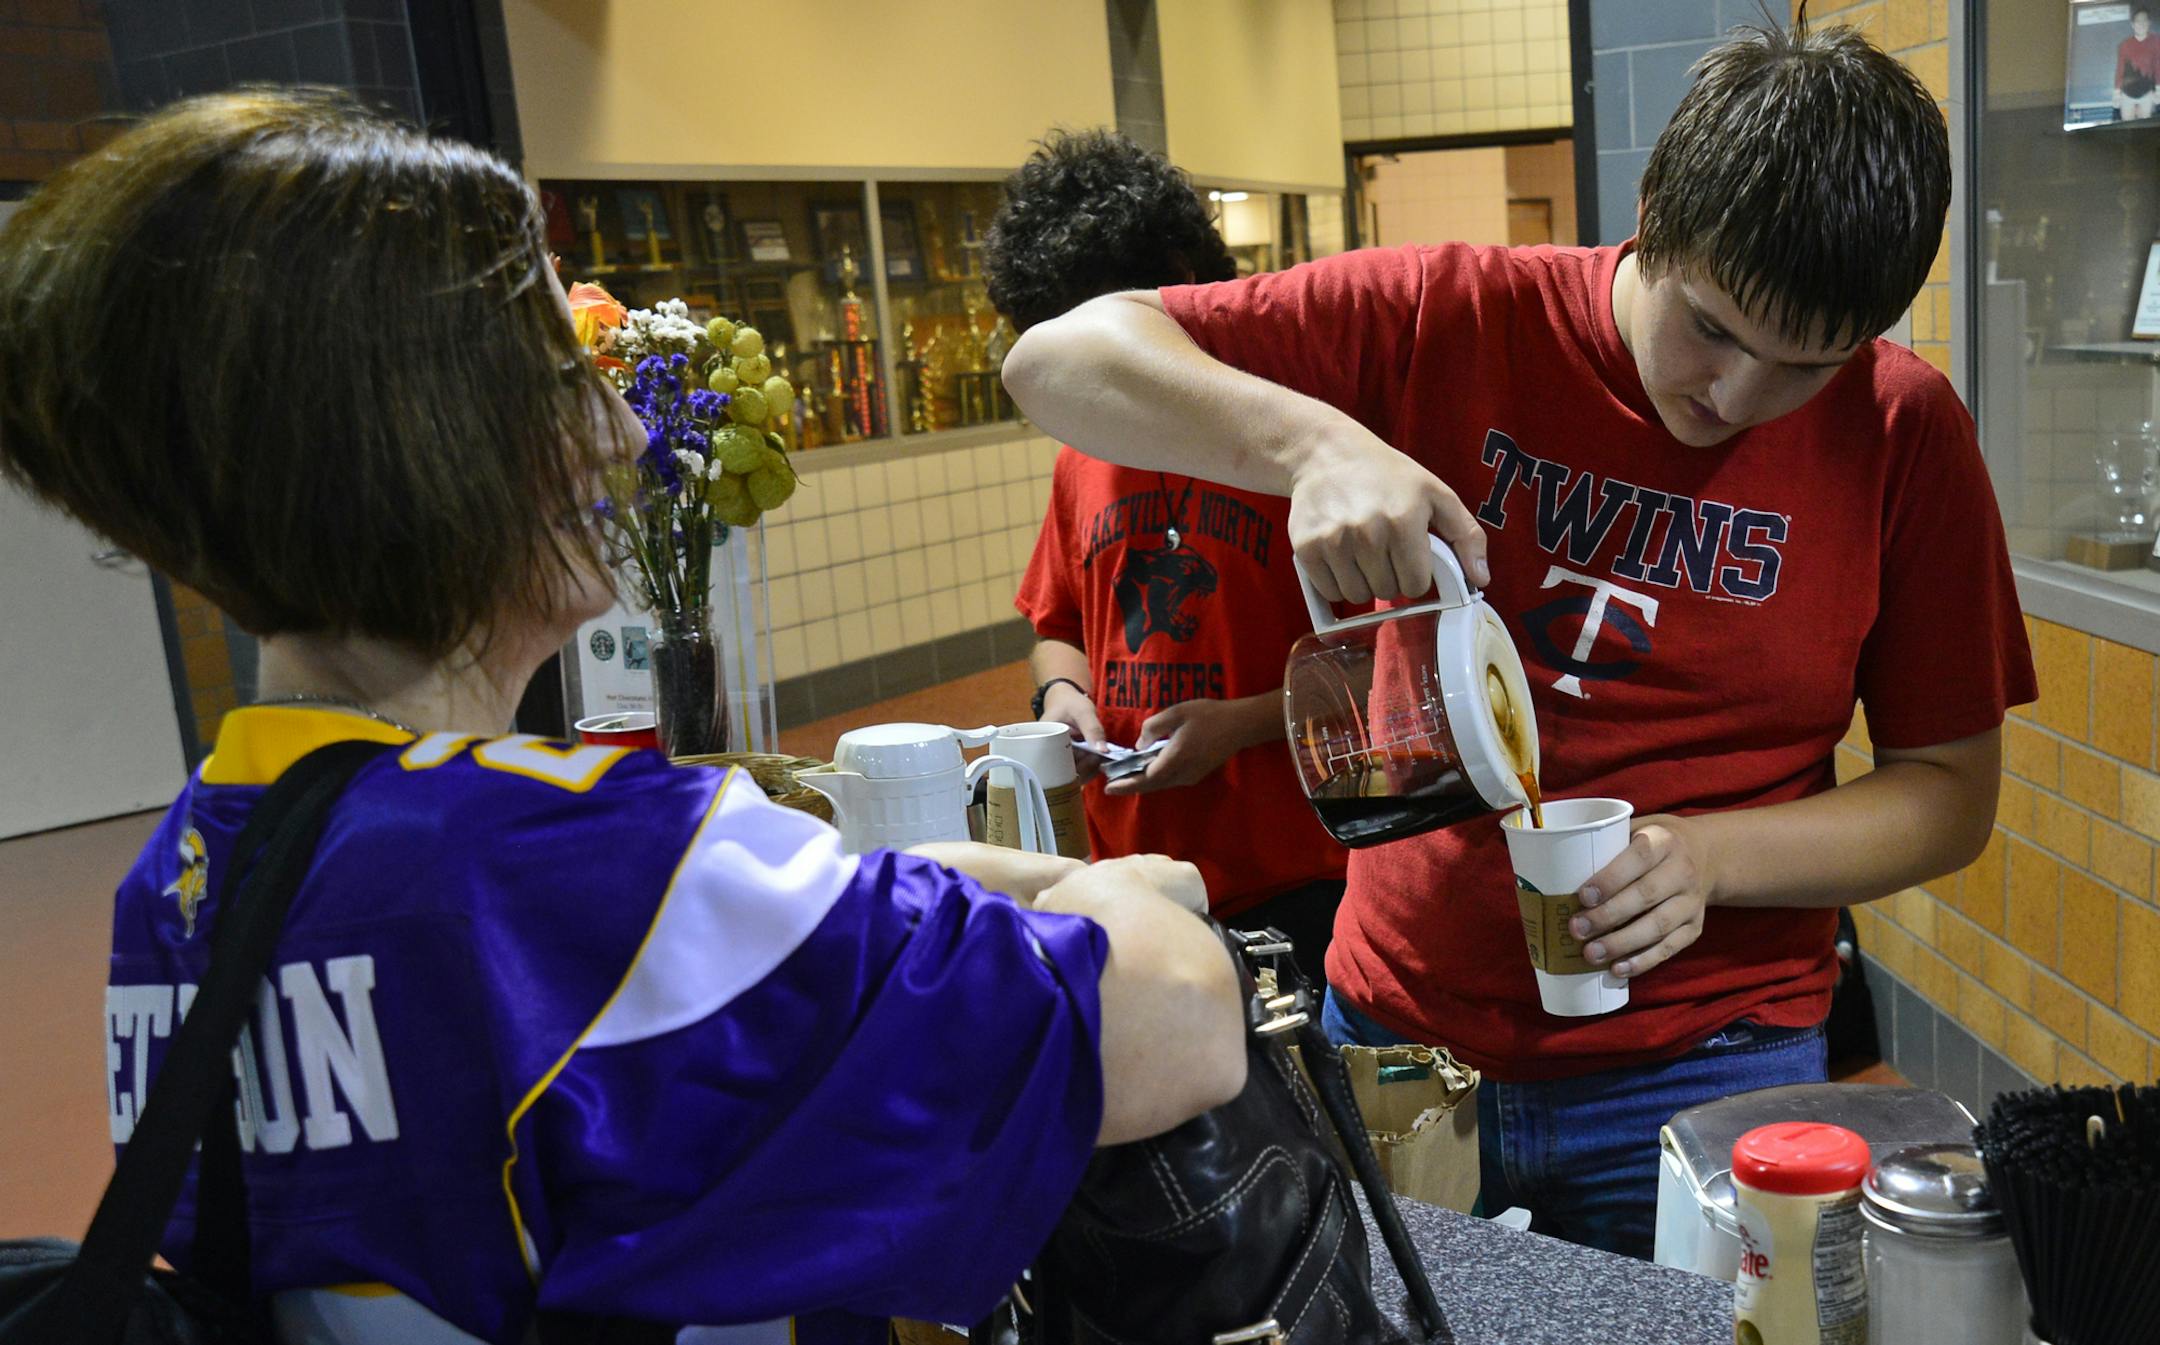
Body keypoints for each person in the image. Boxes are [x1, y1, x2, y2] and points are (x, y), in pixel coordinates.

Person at [0, 91, 1248, 1343]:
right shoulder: (577, 864)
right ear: (410, 438)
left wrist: (915, 873)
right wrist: (1110, 895)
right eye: (560, 378)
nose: (625, 429)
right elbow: (1176, 1025)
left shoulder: (188, 872)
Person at [1002, 21, 2037, 1257]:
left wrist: (1707, 860)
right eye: (1710, 328)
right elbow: (1056, 359)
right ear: (1654, 212)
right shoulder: (1455, 313)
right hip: (1401, 1036)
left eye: (1805, 364)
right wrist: (1313, 444)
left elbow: (1946, 796)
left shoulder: (1902, 431)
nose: (1736, 398)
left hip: (1708, 1061)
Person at [986, 129, 1349, 983]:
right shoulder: (1089, 438)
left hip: (1295, 874)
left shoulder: (1304, 436)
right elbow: (1058, 620)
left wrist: (1242, 725)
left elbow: (1391, 669)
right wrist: (1062, 691)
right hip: (1131, 869)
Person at [2116, 6, 2159, 121]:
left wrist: (2158, 90)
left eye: (2144, 20)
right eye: (2138, 21)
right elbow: (2120, 69)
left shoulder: (2156, 42)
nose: (2141, 24)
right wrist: (2117, 93)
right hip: (2127, 94)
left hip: (2147, 93)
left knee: (2144, 128)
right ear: (2133, 24)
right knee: (2127, 126)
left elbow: (2158, 67)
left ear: (2149, 23)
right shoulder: (2124, 45)